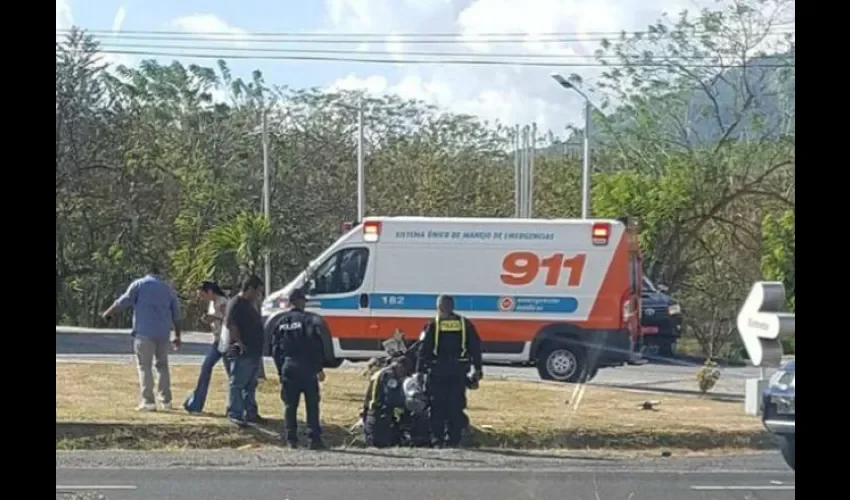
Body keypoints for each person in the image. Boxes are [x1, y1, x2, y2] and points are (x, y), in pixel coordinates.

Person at [101, 264, 182, 411]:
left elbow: (123, 301)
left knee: (144, 366)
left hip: (144, 332)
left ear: (147, 272)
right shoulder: (168, 288)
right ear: (159, 273)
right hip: (163, 333)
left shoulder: (139, 284)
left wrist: (108, 313)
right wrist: (177, 335)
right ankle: (166, 401)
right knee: (162, 366)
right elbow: (176, 313)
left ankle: (148, 401)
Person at [416, 294, 483, 447]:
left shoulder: (434, 325)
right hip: (458, 373)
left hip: (438, 373)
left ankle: (437, 441)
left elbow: (423, 350)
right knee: (455, 407)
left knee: (437, 408)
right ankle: (453, 440)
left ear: (439, 308)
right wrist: (478, 369)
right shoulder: (465, 324)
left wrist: (419, 372)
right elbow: (476, 348)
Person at [270, 288, 327, 449]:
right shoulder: (308, 320)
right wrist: (319, 368)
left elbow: (275, 349)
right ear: (301, 302)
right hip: (307, 367)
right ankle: (314, 440)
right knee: (312, 404)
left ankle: (291, 440)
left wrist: (280, 370)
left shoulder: (281, 322)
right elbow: (316, 345)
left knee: (290, 405)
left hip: (289, 366)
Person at [223, 275, 267, 427]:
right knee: (238, 383)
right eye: (257, 292)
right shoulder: (236, 303)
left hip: (254, 351)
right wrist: (239, 343)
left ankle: (250, 412)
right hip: (242, 351)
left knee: (250, 384)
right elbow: (230, 324)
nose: (258, 295)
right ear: (249, 288)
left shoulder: (250, 304)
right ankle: (235, 412)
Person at [183, 281, 231, 414]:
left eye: (202, 294)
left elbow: (229, 320)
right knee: (205, 368)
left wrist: (214, 317)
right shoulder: (211, 304)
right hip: (217, 341)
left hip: (226, 341)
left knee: (231, 375)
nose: (201, 298)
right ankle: (195, 404)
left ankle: (233, 406)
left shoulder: (223, 302)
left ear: (209, 291)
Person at [361, 357, 413, 448]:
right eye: (404, 371)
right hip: (378, 416)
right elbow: (391, 398)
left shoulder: (382, 372)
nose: (403, 375)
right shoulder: (388, 375)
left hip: (373, 413)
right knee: (381, 444)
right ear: (399, 366)